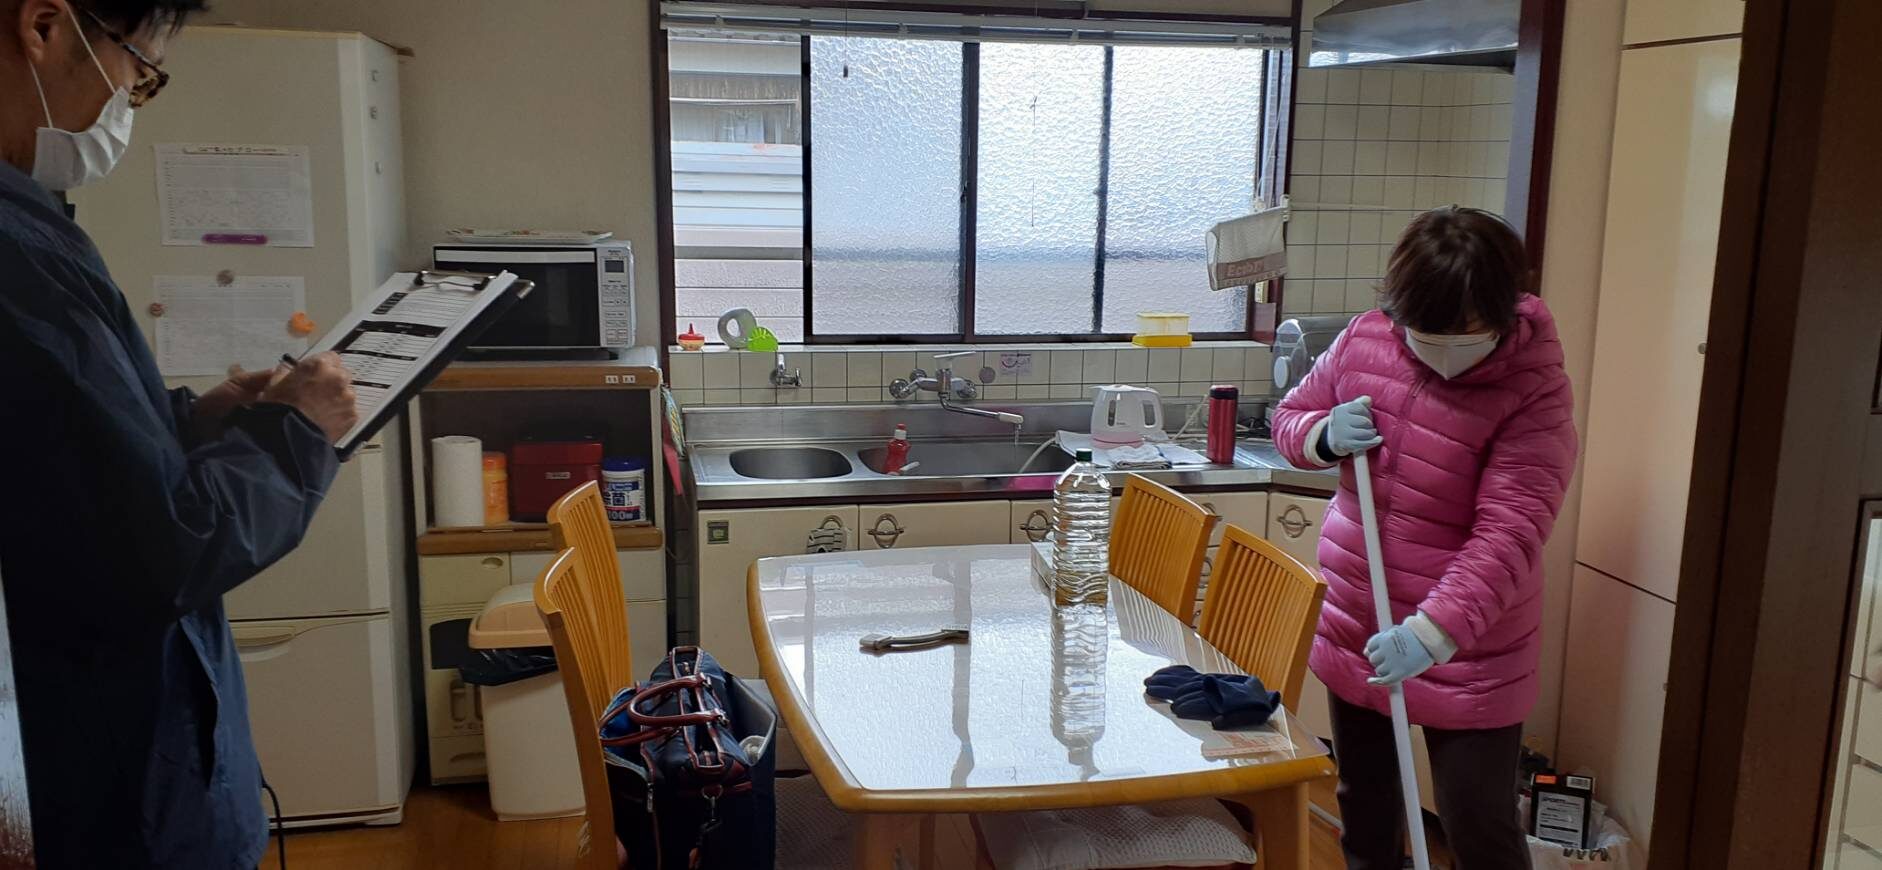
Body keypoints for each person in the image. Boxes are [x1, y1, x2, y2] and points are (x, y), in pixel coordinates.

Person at [0, 1, 360, 865]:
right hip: (106, 772)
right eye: (140, 71)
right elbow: (163, 545)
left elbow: (70, 456)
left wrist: (192, 419)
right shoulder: (17, 256)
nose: (130, 101)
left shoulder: (31, 221)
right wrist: (296, 433)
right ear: (44, 27)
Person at [1273, 206, 1577, 869]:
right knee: (1366, 806)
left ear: (1502, 309)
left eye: (1464, 331)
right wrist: (1321, 434)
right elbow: (1290, 416)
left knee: (1478, 822)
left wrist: (1432, 633)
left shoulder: (1534, 390)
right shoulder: (1365, 340)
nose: (1441, 348)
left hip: (1471, 643)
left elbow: (1510, 532)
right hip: (1360, 619)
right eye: (1424, 331)